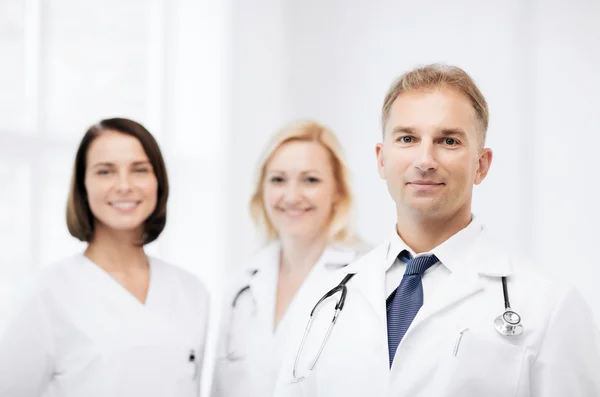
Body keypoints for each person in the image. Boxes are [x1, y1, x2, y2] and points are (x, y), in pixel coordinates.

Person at [272, 64, 600, 397]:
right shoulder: (324, 299)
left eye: (448, 140)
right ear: (381, 159)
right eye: (407, 138)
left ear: (481, 165)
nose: (425, 160)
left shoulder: (549, 307)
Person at [0, 118, 210, 397]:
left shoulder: (191, 292)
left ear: (158, 182)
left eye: (139, 170)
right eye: (105, 172)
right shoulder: (47, 293)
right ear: (83, 187)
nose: (124, 185)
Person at [211, 120, 369, 397]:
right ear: (262, 191)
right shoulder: (242, 285)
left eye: (310, 180)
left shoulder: (367, 275)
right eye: (278, 179)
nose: (292, 196)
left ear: (337, 191)